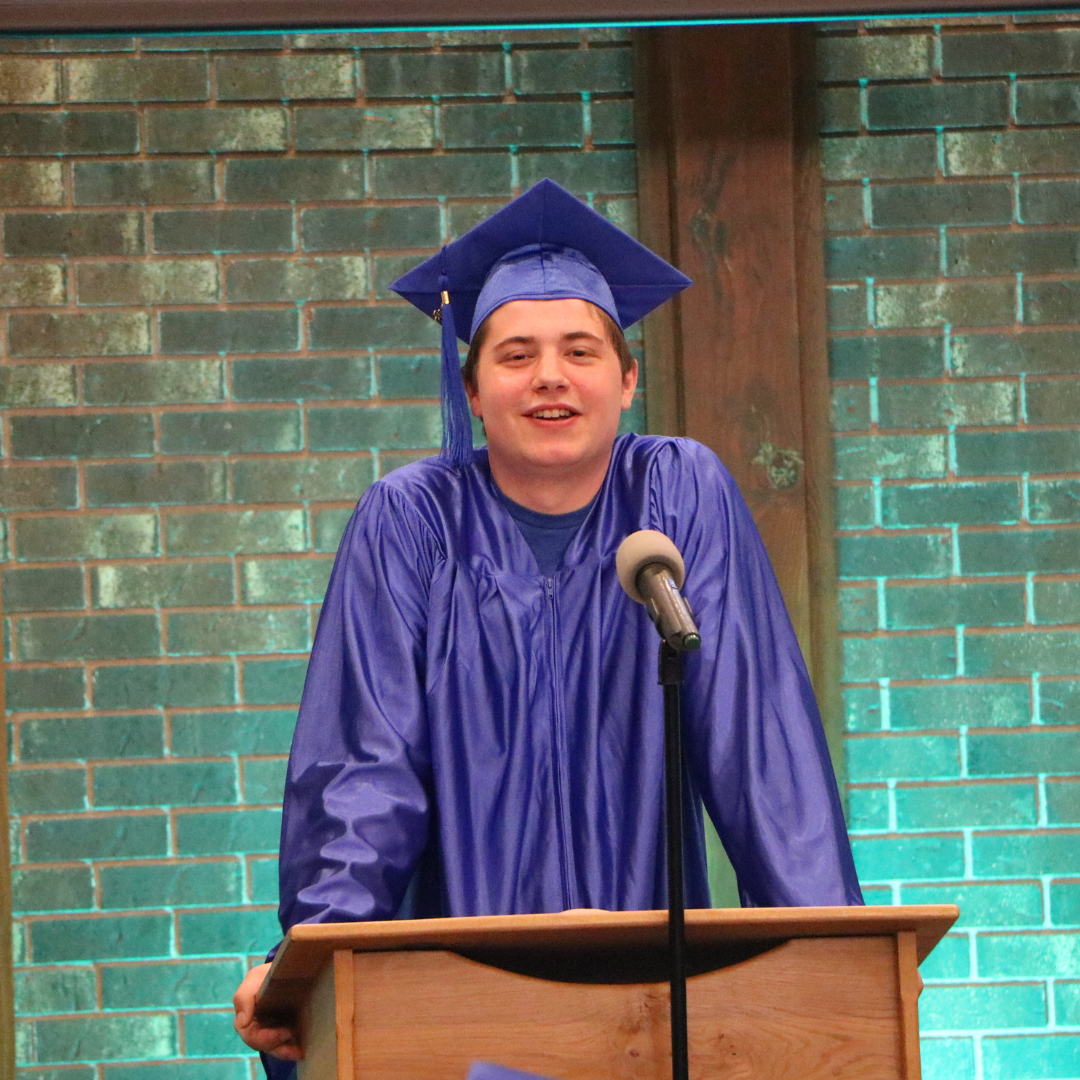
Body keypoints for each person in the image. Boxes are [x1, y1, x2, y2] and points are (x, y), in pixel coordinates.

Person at [233, 179, 863, 1072]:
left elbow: (759, 746)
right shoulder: (412, 521)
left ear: (628, 377)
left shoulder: (678, 493)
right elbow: (365, 770)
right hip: (461, 997)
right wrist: (313, 960)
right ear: (473, 391)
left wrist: (836, 965)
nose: (551, 377)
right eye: (516, 354)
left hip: (651, 992)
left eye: (580, 349)